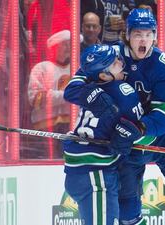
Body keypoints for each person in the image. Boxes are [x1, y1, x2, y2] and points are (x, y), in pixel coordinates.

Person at [65, 8, 165, 225]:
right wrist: (95, 96)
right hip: (127, 144)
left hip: (158, 136)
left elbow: (163, 118)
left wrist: (139, 129)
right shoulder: (111, 56)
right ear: (127, 34)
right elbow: (73, 87)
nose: (143, 39)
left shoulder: (164, 66)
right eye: (137, 34)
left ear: (155, 35)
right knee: (127, 214)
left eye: (148, 34)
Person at [63, 44, 144, 225]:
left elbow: (72, 87)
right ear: (103, 75)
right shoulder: (123, 92)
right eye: (115, 63)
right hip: (95, 174)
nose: (121, 63)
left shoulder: (87, 85)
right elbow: (141, 127)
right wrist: (136, 129)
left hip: (80, 171)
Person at [27, 30, 72, 158]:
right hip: (45, 131)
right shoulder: (41, 68)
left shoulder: (78, 68)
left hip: (71, 129)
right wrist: (67, 95)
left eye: (70, 44)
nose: (68, 47)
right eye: (64, 44)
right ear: (54, 47)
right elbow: (36, 99)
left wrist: (55, 95)